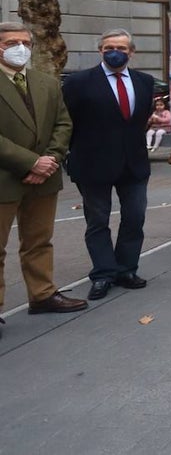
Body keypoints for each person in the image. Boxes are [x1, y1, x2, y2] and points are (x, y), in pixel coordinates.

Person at [0, 22, 86, 335]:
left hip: (44, 176)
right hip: (5, 176)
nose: (20, 48)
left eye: (25, 42)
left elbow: (63, 124)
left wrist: (50, 160)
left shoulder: (46, 83)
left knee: (38, 240)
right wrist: (31, 163)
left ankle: (43, 294)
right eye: (12, 42)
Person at [62, 28, 155, 300]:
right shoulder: (78, 82)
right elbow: (66, 121)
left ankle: (126, 269)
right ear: (100, 50)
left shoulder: (145, 82)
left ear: (131, 52)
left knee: (135, 217)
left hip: (134, 164)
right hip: (93, 164)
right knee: (98, 221)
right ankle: (103, 273)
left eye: (122, 48)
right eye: (109, 47)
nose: (116, 52)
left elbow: (140, 119)